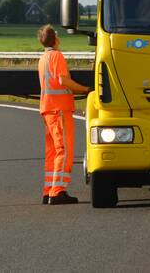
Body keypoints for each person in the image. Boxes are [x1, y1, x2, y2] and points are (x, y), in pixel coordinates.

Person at [37, 24, 90, 205]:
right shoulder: (57, 56)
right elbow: (63, 80)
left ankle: (49, 190)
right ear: (56, 39)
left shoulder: (43, 58)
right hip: (60, 110)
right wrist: (85, 89)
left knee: (52, 151)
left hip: (48, 109)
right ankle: (58, 191)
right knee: (64, 150)